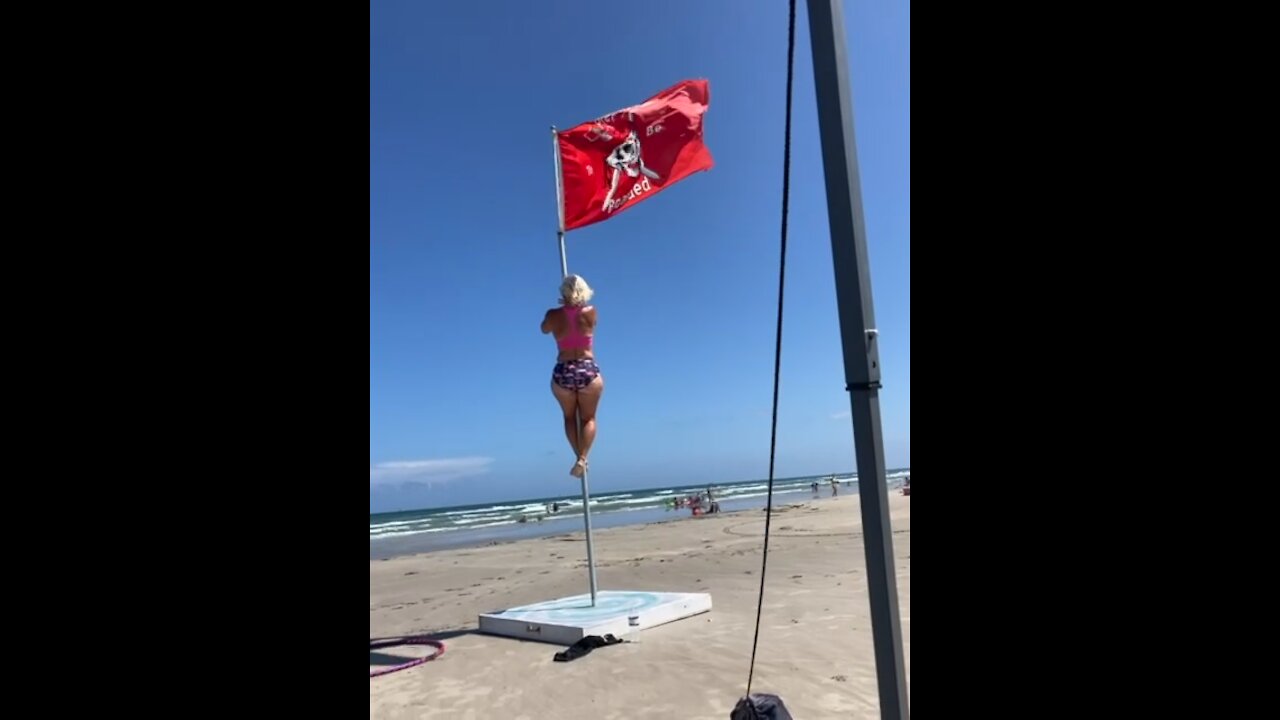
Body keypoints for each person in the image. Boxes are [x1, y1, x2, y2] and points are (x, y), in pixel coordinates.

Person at [542, 274, 605, 478]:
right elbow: (588, 323)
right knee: (588, 418)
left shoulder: (553, 315)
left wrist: (562, 309)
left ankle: (577, 455)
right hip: (586, 368)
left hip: (564, 370)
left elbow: (544, 329)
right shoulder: (591, 312)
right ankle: (583, 458)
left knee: (569, 417)